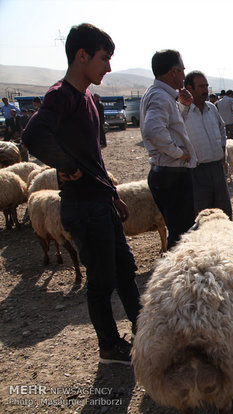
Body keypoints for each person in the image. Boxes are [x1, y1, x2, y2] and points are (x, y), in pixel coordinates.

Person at [21, 23, 140, 365]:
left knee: (125, 271)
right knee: (101, 282)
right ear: (82, 56)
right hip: (83, 207)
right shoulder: (61, 95)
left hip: (100, 202)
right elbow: (33, 134)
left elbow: (95, 157)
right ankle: (110, 347)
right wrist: (64, 164)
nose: (109, 67)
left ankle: (145, 331)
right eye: (104, 58)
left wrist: (113, 194)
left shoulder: (87, 97)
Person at [140, 49, 197, 249]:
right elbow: (153, 130)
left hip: (166, 171)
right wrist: (179, 153)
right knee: (182, 233)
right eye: (182, 70)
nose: (183, 74)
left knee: (179, 229)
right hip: (172, 173)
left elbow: (171, 127)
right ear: (173, 71)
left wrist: (183, 107)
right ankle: (180, 275)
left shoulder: (159, 95)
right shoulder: (160, 97)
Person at [181, 70, 232, 218]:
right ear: (189, 89)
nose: (205, 90)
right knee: (202, 215)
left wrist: (223, 155)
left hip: (217, 168)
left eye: (206, 86)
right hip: (196, 171)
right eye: (201, 86)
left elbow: (222, 129)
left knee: (224, 213)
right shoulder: (182, 112)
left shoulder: (212, 108)